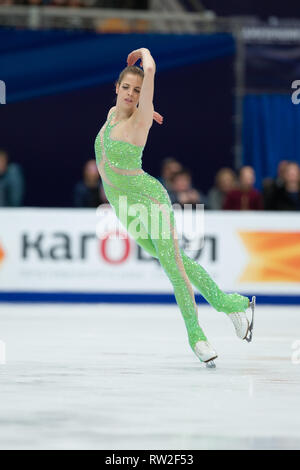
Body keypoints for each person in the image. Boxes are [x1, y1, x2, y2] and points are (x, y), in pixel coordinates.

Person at [94, 48, 255, 366]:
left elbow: (149, 72)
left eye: (137, 91)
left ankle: (197, 337)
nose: (130, 93)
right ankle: (232, 304)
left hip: (149, 201)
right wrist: (142, 108)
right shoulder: (113, 114)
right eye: (125, 87)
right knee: (176, 261)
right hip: (124, 207)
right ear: (116, 88)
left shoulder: (139, 120)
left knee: (175, 271)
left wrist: (144, 56)